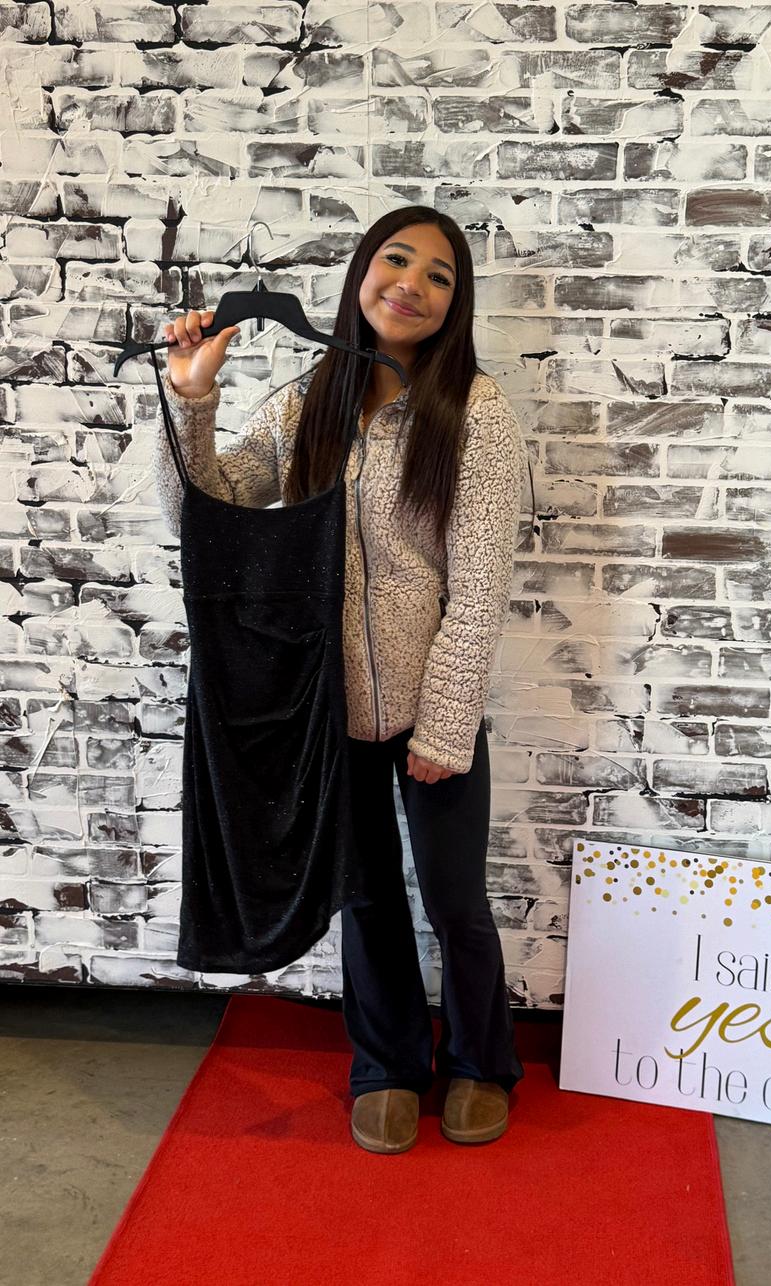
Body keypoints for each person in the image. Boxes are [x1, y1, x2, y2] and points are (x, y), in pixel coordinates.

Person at [152, 205, 527, 1155]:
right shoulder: (307, 402)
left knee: (454, 900)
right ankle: (386, 1066)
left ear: (455, 303)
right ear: (363, 271)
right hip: (328, 706)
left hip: (431, 706)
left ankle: (482, 1062)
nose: (412, 284)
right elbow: (208, 514)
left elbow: (479, 585)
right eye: (396, 260)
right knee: (366, 895)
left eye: (439, 275)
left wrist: (444, 725)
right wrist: (193, 399)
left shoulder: (475, 414)